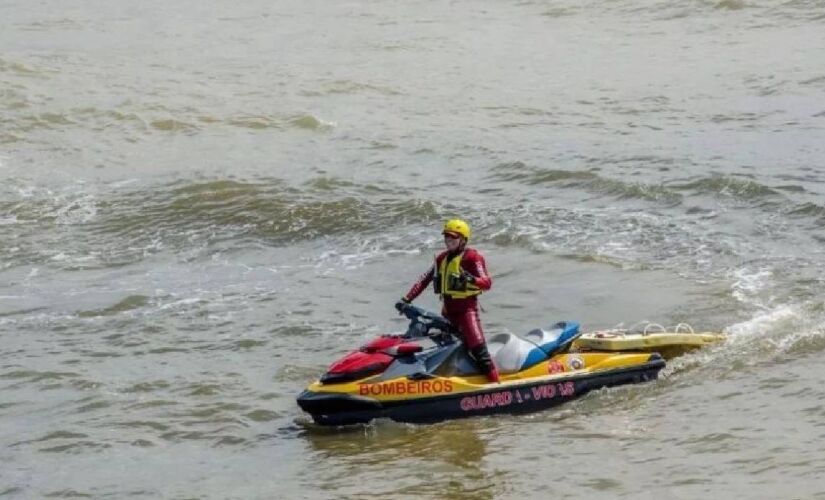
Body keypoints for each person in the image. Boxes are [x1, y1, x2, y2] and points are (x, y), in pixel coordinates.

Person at [395, 219, 499, 383]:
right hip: (448, 312)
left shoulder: (473, 258)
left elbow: (487, 283)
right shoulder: (441, 259)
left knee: (480, 351)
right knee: (442, 348)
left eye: (453, 238)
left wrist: (471, 280)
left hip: (466, 312)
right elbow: (424, 280)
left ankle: (496, 386)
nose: (448, 241)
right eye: (446, 238)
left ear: (463, 239)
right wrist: (406, 299)